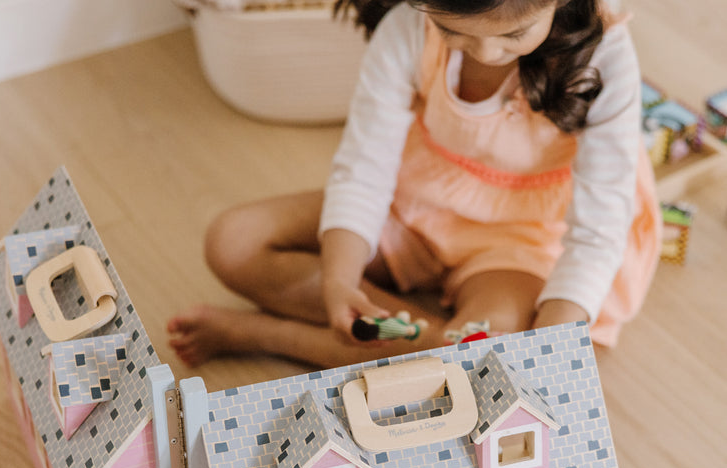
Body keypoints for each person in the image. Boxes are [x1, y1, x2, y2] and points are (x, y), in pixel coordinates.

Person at [167, 0, 660, 370]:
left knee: (484, 361)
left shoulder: (605, 55)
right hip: (416, 205)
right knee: (231, 241)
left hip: (521, 242)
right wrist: (340, 281)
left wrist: (549, 344)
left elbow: (598, 232)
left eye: (515, 32)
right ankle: (436, 346)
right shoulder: (408, 24)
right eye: (452, 28)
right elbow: (363, 169)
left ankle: (270, 336)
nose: (486, 52)